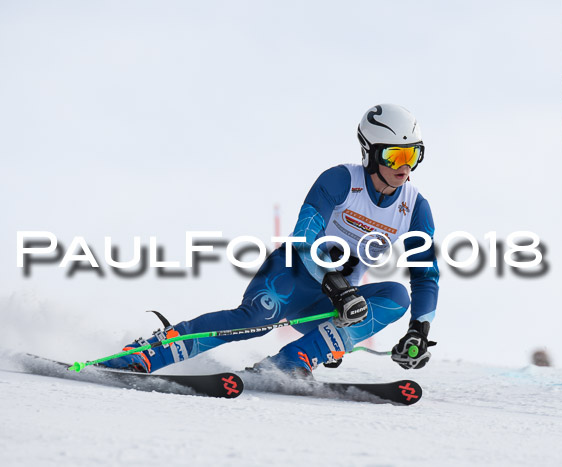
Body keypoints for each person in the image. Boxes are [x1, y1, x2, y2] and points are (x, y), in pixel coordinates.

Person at [104, 103, 439, 376]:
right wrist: (336, 284)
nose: (404, 168)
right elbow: (303, 238)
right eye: (395, 156)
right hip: (292, 277)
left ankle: (291, 363)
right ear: (370, 153)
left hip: (334, 302)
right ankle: (147, 353)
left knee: (395, 295)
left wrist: (418, 332)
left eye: (413, 156)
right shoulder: (340, 180)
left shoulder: (415, 208)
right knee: (253, 322)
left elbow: (425, 277)